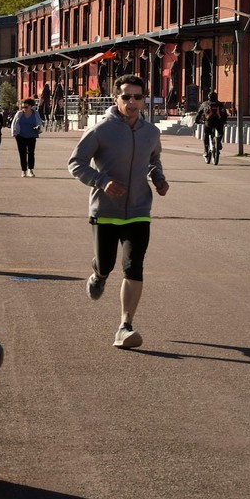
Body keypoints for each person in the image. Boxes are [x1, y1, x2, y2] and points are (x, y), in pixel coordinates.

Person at [68, 75, 170, 350]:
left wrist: (158, 178)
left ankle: (125, 326)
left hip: (139, 209)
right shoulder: (100, 130)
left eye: (138, 97)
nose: (132, 102)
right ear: (116, 99)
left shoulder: (151, 132)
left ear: (144, 100)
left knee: (133, 266)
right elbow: (75, 163)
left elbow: (153, 160)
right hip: (105, 210)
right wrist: (101, 181)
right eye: (126, 97)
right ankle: (98, 274)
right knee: (106, 264)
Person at [10, 97, 43, 176]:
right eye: (23, 107)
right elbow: (14, 124)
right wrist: (14, 133)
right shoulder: (19, 114)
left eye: (26, 107)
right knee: (22, 153)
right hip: (20, 136)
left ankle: (30, 170)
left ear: (31, 106)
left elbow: (39, 122)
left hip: (32, 135)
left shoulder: (35, 113)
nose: (24, 108)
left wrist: (38, 127)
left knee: (31, 153)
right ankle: (23, 170)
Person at [195, 93, 228, 163]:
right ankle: (218, 142)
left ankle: (206, 151)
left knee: (206, 134)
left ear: (208, 97)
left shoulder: (205, 104)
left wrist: (197, 121)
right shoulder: (220, 104)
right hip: (219, 122)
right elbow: (225, 114)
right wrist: (224, 121)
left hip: (209, 122)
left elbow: (199, 113)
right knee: (220, 132)